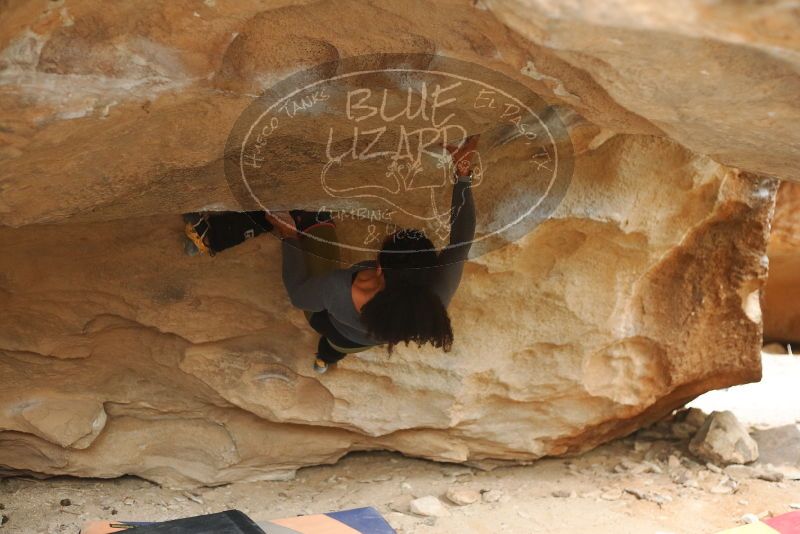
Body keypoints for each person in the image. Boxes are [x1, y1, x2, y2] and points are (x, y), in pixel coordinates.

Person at [269, 134, 479, 373]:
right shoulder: (431, 299)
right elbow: (461, 243)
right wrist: (462, 174)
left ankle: (324, 357)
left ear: (379, 266)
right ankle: (324, 360)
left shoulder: (338, 288)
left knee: (315, 223)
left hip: (334, 328)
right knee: (336, 349)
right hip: (368, 339)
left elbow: (299, 296)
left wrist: (289, 236)